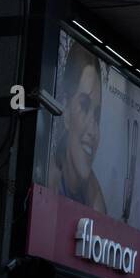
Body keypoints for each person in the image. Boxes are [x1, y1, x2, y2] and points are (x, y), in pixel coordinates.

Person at [51, 39, 107, 213]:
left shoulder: (95, 198)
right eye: (84, 106)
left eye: (97, 116)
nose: (92, 130)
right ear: (66, 111)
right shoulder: (46, 180)